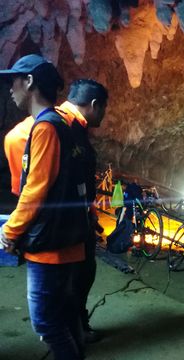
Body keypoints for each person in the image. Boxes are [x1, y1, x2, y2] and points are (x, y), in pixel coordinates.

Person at [0, 54, 88, 360]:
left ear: (30, 82)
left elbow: (35, 191)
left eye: (14, 80)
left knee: (48, 325)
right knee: (63, 320)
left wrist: (9, 232)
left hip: (49, 249)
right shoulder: (61, 123)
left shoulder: (46, 128)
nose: (10, 87)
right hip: (65, 242)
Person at [60, 79, 108, 343]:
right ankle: (70, 333)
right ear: (94, 105)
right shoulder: (60, 125)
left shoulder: (76, 127)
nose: (104, 115)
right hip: (67, 227)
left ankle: (77, 326)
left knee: (82, 275)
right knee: (74, 280)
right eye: (103, 109)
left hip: (79, 221)